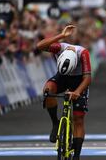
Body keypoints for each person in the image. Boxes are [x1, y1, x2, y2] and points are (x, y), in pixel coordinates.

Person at [36, 24, 91, 160]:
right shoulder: (59, 48)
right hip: (62, 77)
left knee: (78, 119)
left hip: (79, 81)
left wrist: (77, 92)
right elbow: (40, 46)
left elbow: (88, 78)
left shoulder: (83, 53)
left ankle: (76, 156)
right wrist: (61, 36)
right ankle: (55, 122)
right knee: (48, 90)